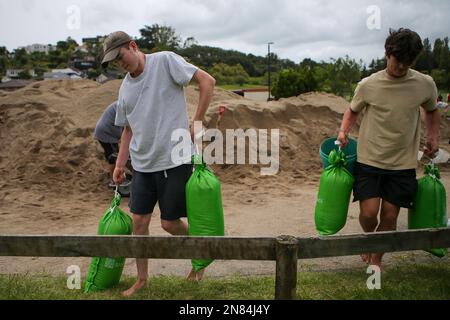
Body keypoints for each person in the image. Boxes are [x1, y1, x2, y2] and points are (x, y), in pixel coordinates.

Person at [101, 31, 216, 297]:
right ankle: (142, 280)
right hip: (142, 165)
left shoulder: (165, 62)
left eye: (120, 57)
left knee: (169, 223)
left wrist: (197, 120)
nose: (121, 65)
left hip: (174, 160)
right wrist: (120, 163)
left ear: (133, 46)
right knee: (139, 221)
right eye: (115, 63)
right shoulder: (125, 88)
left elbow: (207, 82)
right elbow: (128, 129)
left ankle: (201, 255)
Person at [337, 28, 440, 270]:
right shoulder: (368, 85)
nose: (401, 67)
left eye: (407, 62)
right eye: (397, 60)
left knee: (391, 216)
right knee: (369, 213)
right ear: (387, 53)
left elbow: (432, 110)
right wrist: (343, 132)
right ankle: (369, 240)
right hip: (369, 159)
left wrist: (433, 137)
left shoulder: (425, 84)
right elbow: (352, 110)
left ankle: (376, 259)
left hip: (402, 163)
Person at [94, 101, 122, 182]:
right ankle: (113, 180)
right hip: (105, 133)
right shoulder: (122, 106)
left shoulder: (120, 103)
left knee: (114, 154)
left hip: (107, 131)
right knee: (113, 156)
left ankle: (113, 174)